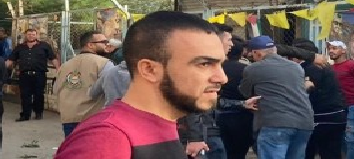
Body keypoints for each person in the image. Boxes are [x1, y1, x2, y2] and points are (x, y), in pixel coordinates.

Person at [55, 11, 227, 158]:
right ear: (149, 69)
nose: (222, 78)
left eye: (220, 64)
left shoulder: (165, 125)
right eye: (204, 64)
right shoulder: (106, 139)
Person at [239, 35, 314, 159]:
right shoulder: (296, 67)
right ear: (274, 50)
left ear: (256, 53)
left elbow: (245, 92)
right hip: (304, 122)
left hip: (275, 122)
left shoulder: (252, 69)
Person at [179, 24, 233, 159]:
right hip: (200, 136)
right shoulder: (193, 67)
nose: (232, 44)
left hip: (209, 131)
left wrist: (243, 104)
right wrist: (195, 138)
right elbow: (190, 101)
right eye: (229, 40)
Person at [53, 30, 112, 137]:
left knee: (73, 146)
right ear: (90, 45)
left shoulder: (65, 65)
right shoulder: (104, 63)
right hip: (94, 117)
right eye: (103, 42)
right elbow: (111, 88)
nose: (107, 44)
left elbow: (56, 89)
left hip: (69, 117)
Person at [295, 42, 346, 159]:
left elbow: (310, 92)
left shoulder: (308, 68)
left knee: (308, 151)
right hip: (336, 114)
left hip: (321, 117)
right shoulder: (326, 67)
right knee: (332, 152)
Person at [6, 28, 60, 122]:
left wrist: (58, 69)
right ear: (25, 35)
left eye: (33, 34)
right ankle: (25, 115)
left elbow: (53, 58)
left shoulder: (44, 46)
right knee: (25, 95)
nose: (31, 36)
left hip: (39, 75)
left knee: (38, 94)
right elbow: (11, 59)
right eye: (29, 34)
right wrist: (0, 66)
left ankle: (38, 113)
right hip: (24, 75)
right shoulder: (20, 47)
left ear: (37, 35)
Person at [217, 37, 255, 159]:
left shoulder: (218, 68)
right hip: (242, 115)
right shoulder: (247, 69)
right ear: (241, 53)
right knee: (239, 152)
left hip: (220, 114)